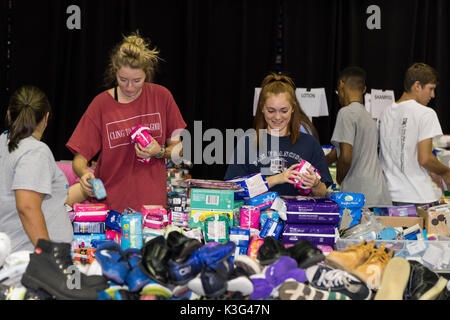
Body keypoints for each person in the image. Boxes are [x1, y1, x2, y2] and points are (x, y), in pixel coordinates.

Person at [66, 32, 186, 212]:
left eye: (137, 80)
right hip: (112, 210)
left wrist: (158, 151)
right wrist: (84, 175)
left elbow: (179, 151)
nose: (129, 87)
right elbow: (79, 160)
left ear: (147, 75)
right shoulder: (101, 105)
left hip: (152, 210)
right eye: (123, 80)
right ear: (115, 72)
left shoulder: (162, 97)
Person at [224, 73, 332, 197]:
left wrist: (316, 184)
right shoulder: (248, 142)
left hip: (297, 215)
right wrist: (277, 179)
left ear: (293, 108)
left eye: (284, 110)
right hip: (257, 216)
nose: (277, 117)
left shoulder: (309, 143)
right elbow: (234, 189)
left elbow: (323, 193)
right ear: (262, 108)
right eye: (271, 111)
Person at [0, 85, 74, 253]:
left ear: (9, 114)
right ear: (45, 118)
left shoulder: (3, 143)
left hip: (13, 251)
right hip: (28, 258)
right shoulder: (35, 151)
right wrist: (47, 255)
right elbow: (27, 206)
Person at [379, 62, 450, 206]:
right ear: (417, 85)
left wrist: (433, 171)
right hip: (419, 197)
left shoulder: (385, 113)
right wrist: (446, 172)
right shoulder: (426, 113)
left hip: (389, 196)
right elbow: (424, 159)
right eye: (430, 89)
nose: (433, 95)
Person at [326, 66, 392, 209]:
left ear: (341, 84)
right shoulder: (368, 118)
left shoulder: (346, 113)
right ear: (363, 89)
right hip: (379, 193)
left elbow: (346, 156)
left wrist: (339, 180)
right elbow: (340, 152)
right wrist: (320, 161)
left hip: (359, 195)